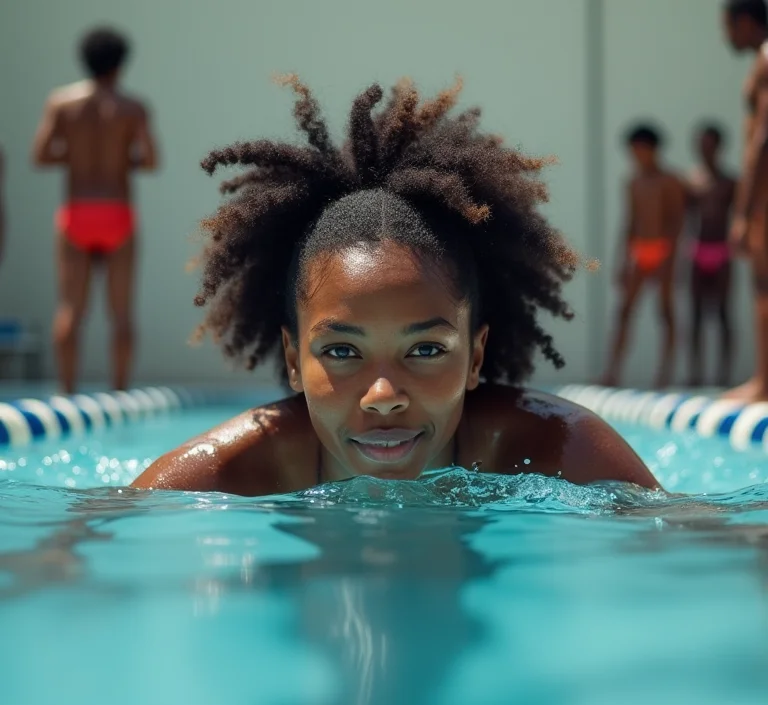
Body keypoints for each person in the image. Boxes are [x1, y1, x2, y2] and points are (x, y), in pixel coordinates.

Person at [132, 76, 658, 495]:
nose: (383, 396)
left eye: (425, 348)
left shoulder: (562, 447)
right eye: (341, 350)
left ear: (476, 357)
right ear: (293, 359)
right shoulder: (221, 477)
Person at [32, 27, 158, 394]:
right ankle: (119, 393)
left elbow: (40, 155)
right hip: (118, 212)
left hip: (76, 211)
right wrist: (120, 161)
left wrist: (74, 156)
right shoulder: (133, 108)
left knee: (71, 309)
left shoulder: (61, 103)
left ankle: (66, 393)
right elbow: (151, 160)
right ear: (121, 63)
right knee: (121, 314)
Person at [601, 125, 687, 389]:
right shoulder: (632, 181)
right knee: (624, 311)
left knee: (665, 313)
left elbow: (676, 220)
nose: (636, 156)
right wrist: (622, 261)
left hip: (663, 249)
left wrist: (669, 256)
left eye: (639, 150)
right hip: (640, 251)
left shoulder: (669, 180)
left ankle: (664, 376)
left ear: (651, 149)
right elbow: (629, 222)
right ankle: (612, 374)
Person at [722, 0, 768, 401]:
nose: (727, 36)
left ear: (745, 21)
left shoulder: (766, 60)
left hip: (764, 201)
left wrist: (742, 211)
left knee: (762, 287)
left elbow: (761, 139)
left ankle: (764, 383)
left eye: (729, 27)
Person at [686, 124, 738, 387]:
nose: (704, 150)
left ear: (718, 147)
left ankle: (723, 376)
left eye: (709, 145)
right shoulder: (692, 181)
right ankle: (695, 375)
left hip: (721, 251)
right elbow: (683, 217)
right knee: (694, 314)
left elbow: (741, 217)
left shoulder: (730, 181)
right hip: (698, 250)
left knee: (723, 313)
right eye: (700, 145)